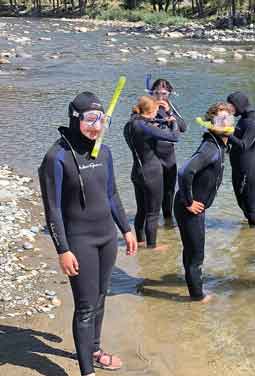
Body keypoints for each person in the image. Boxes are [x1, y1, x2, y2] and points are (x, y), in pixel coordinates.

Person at [39, 92, 137, 376]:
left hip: (107, 238)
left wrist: (126, 229)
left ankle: (94, 350)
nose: (96, 126)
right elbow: (53, 209)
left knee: (100, 298)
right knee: (85, 306)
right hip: (79, 241)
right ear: (74, 119)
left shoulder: (104, 152)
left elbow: (112, 195)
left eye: (101, 119)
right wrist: (63, 249)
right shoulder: (56, 157)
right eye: (89, 119)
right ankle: (87, 372)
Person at [174, 102, 235, 302]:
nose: (226, 123)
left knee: (191, 250)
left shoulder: (219, 144)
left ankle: (192, 287)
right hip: (190, 208)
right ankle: (197, 297)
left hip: (190, 207)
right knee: (197, 255)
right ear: (211, 124)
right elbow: (184, 172)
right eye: (220, 119)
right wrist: (189, 201)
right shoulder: (211, 148)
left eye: (229, 118)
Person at [124, 96, 179, 251]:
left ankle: (140, 241)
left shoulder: (130, 124)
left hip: (137, 171)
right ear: (152, 111)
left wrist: (163, 121)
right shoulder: (145, 127)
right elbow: (174, 137)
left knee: (141, 209)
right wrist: (173, 122)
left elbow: (146, 123)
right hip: (151, 173)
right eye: (155, 111)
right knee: (153, 212)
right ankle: (152, 246)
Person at [149, 79, 187, 227]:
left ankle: (168, 222)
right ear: (152, 93)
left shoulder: (172, 107)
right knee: (153, 194)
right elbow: (135, 126)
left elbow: (183, 127)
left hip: (169, 156)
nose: (160, 97)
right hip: (152, 156)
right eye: (156, 93)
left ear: (169, 94)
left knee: (169, 191)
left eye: (163, 93)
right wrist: (152, 114)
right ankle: (151, 226)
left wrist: (170, 113)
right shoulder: (147, 106)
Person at [226, 91, 255, 227]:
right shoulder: (243, 118)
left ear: (239, 104)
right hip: (238, 168)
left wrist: (225, 133)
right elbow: (235, 140)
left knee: (249, 204)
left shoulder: (253, 121)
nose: (229, 109)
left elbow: (244, 145)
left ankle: (254, 233)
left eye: (231, 106)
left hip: (248, 169)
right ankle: (248, 234)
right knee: (241, 201)